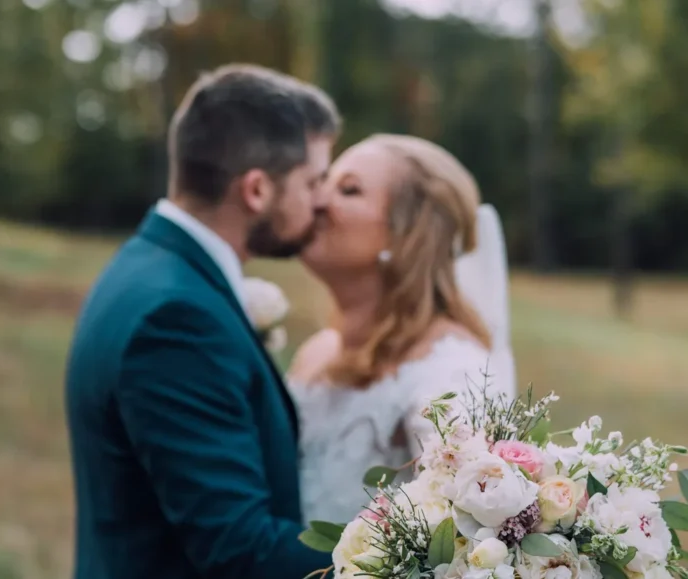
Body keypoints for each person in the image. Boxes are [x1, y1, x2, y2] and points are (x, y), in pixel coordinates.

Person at [65, 63, 341, 579]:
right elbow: (239, 548)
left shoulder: (146, 267)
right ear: (256, 190)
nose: (322, 200)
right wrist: (424, 557)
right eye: (313, 181)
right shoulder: (177, 319)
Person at [288, 134, 516, 525]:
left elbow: (467, 541)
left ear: (408, 235)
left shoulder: (452, 372)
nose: (318, 201)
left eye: (348, 190)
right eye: (323, 183)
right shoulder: (316, 351)